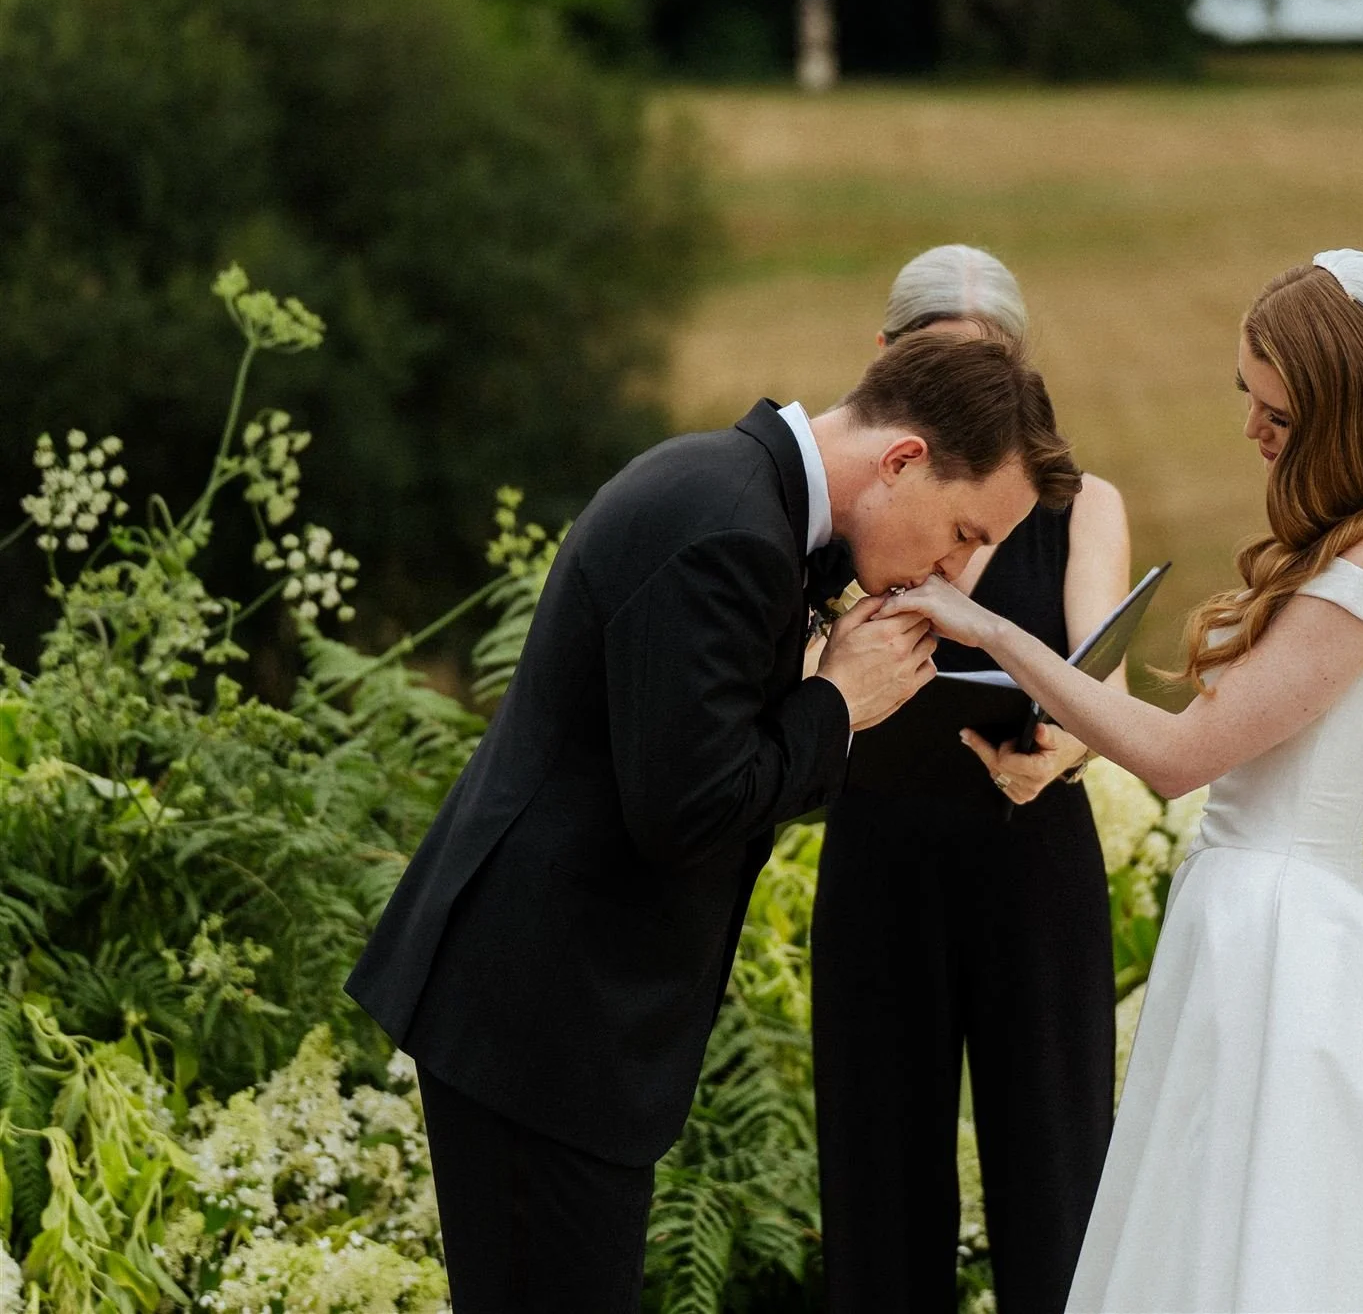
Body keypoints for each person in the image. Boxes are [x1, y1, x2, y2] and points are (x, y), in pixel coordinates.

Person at [884, 251, 1363, 1311]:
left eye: (1277, 411)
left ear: (1345, 414)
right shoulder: (1346, 554)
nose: (1253, 430)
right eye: (1245, 399)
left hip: (1288, 939)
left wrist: (987, 629)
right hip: (1246, 920)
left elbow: (1178, 758)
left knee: (1284, 1240)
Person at [345, 330, 1082, 1313]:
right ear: (902, 461)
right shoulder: (726, 525)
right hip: (542, 1013)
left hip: (562, 1014)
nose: (954, 572)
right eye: (962, 532)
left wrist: (833, 692)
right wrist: (835, 704)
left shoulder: (744, 504)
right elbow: (686, 808)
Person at [811, 245, 1133, 1314]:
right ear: (885, 369)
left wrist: (1060, 751)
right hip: (878, 859)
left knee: (1057, 1179)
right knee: (877, 1184)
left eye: (986, 373)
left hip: (1030, 863)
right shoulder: (844, 506)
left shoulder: (1080, 507)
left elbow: (1107, 683)